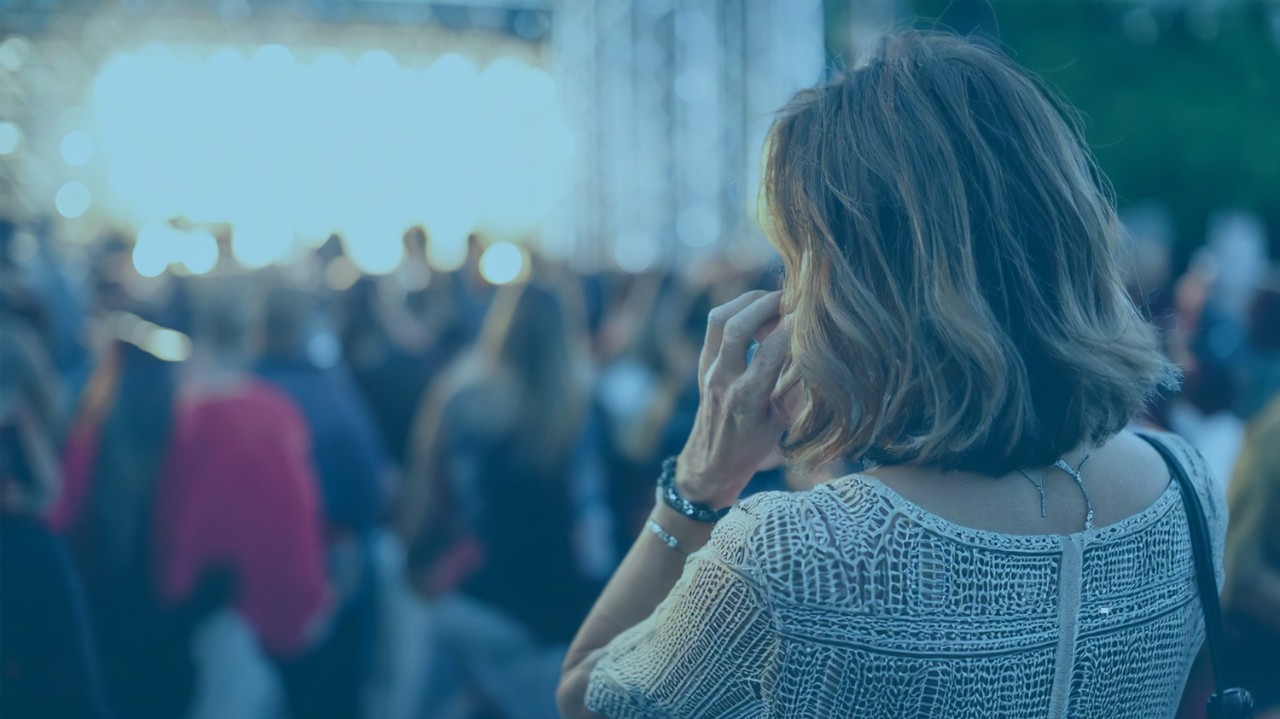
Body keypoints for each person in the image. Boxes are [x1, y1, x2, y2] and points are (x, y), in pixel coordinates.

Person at [558, 30, 1219, 719]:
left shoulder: (789, 558)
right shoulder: (1187, 487)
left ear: (858, 286)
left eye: (797, 257)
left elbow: (583, 695)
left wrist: (698, 483)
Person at [52, 284, 332, 719]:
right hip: (197, 645)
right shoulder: (256, 420)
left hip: (107, 642)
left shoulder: (96, 414)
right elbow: (285, 557)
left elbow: (64, 521)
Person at [400, 280, 613, 719]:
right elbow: (594, 525)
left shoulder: (460, 398)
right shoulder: (585, 407)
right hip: (562, 615)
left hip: (472, 597)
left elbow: (428, 501)